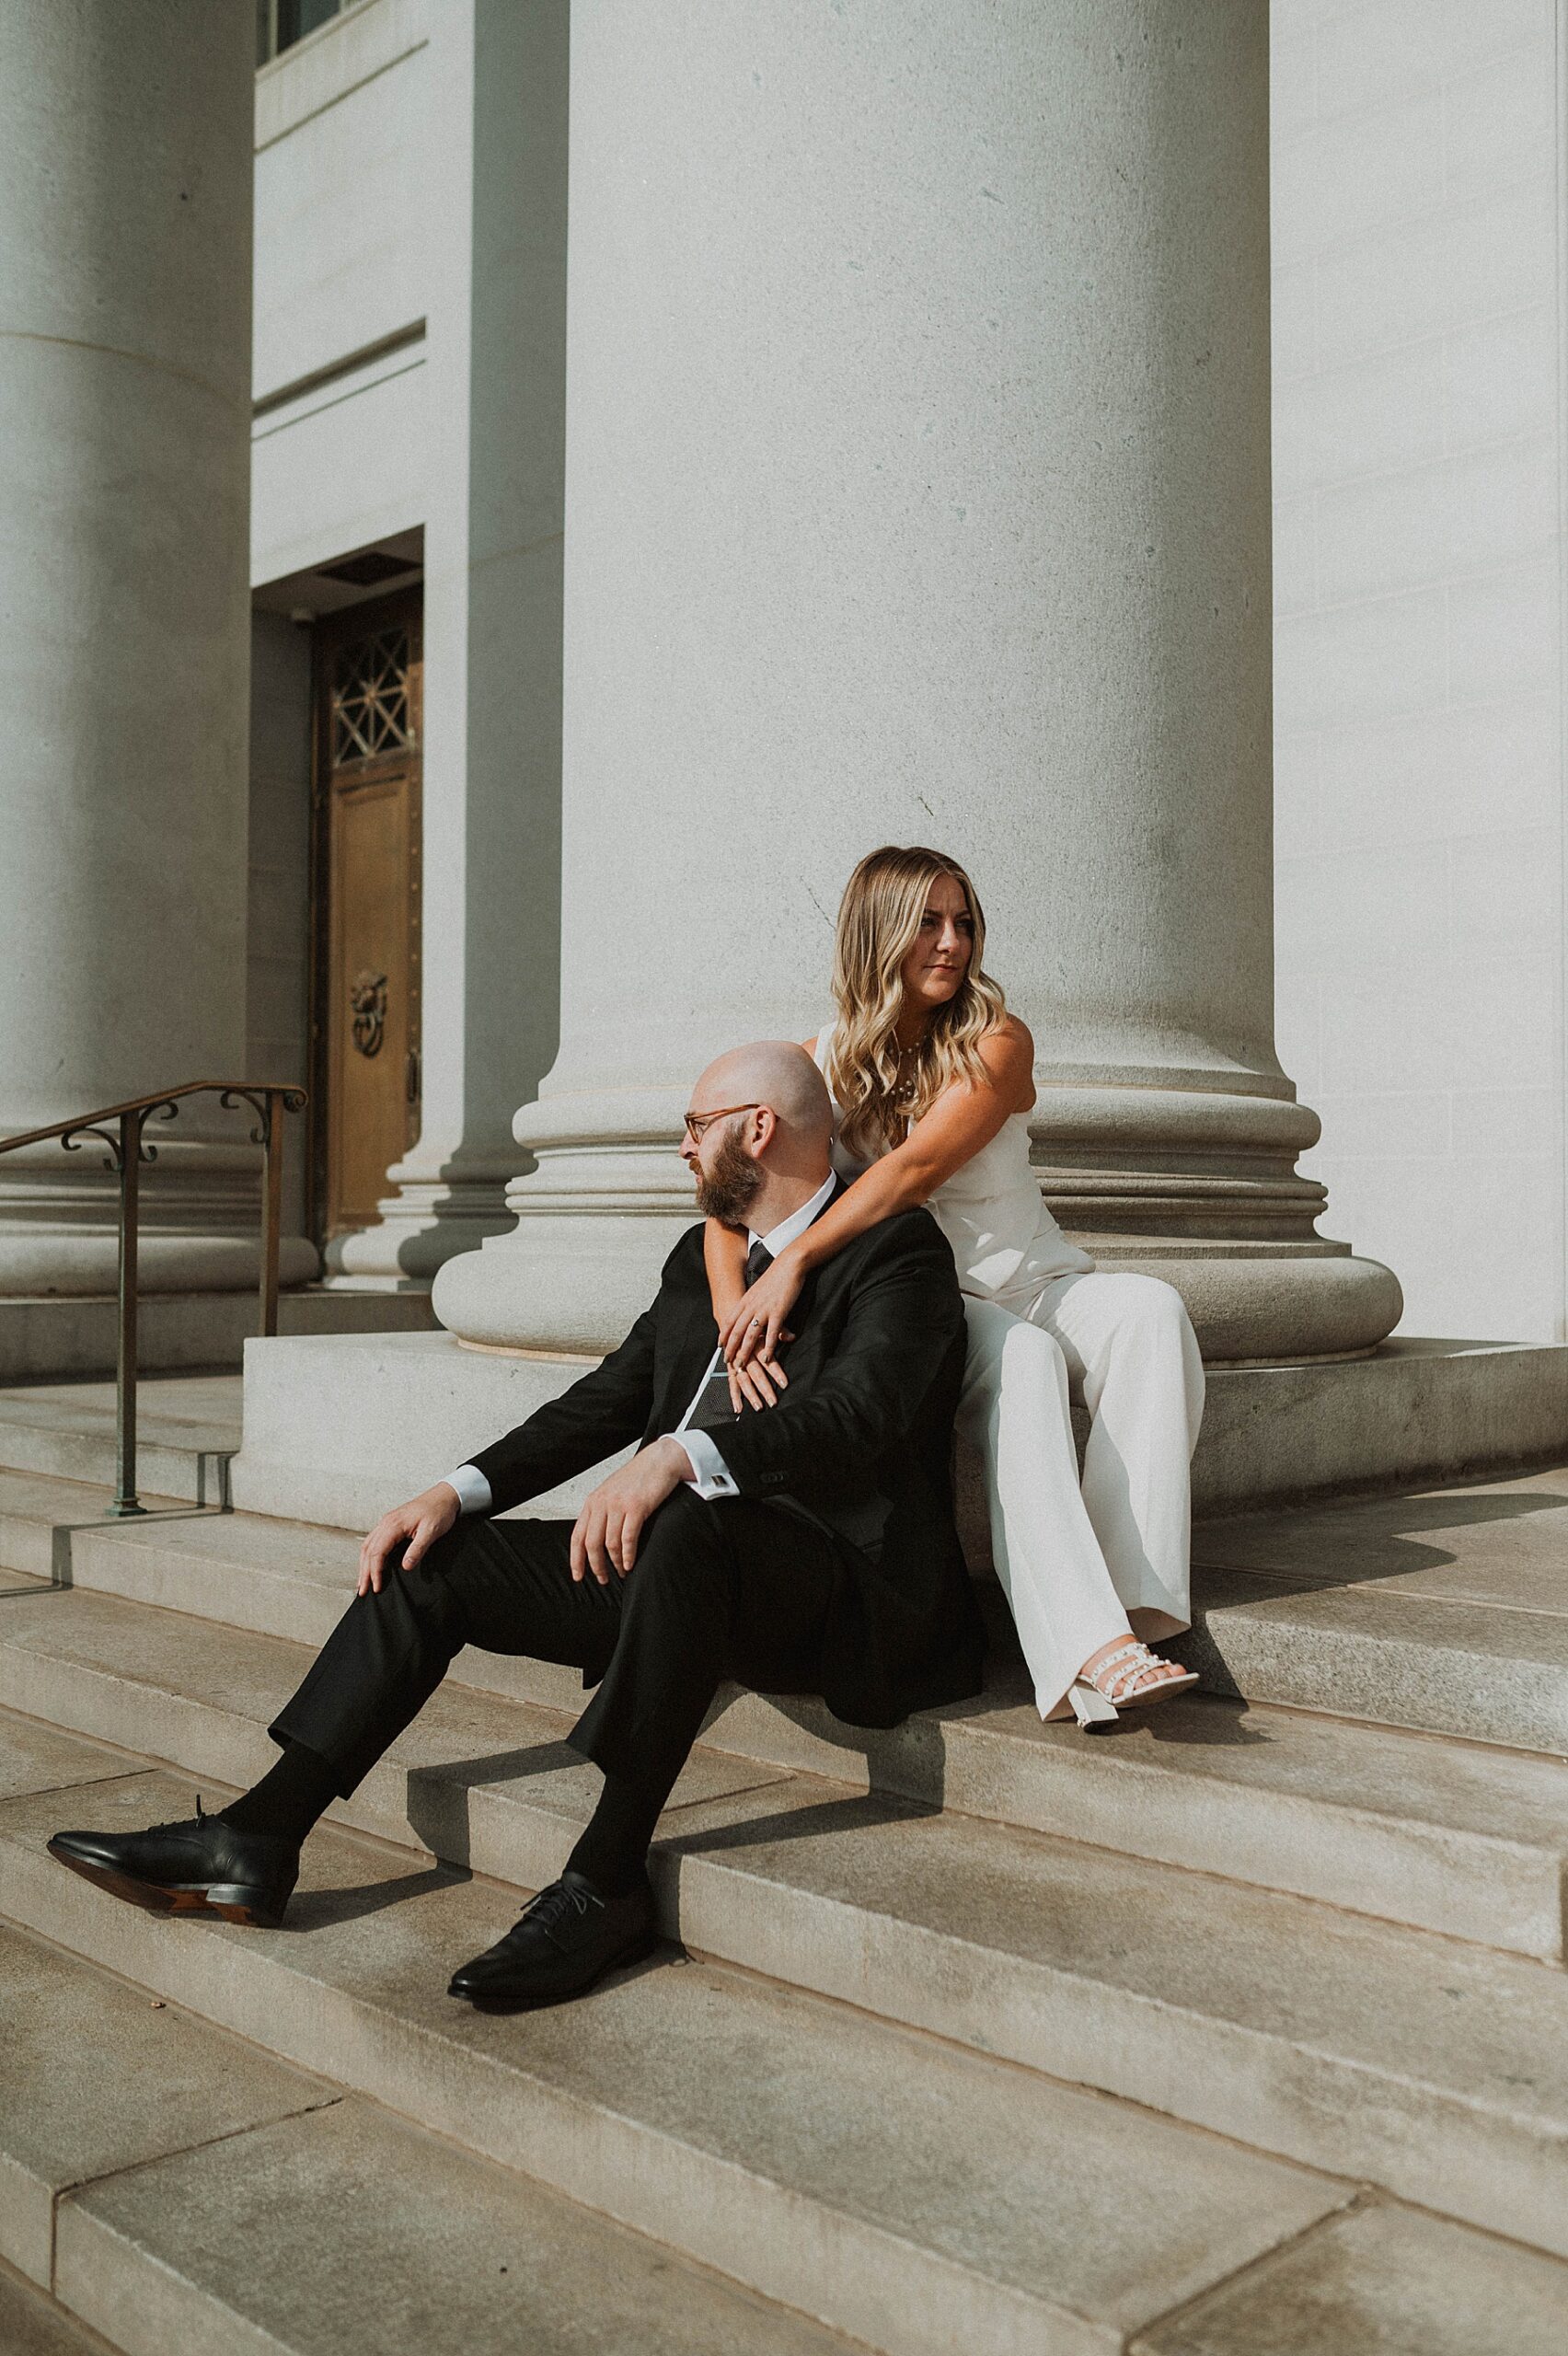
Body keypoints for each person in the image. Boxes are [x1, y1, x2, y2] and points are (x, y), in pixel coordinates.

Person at [49, 1041, 985, 2006]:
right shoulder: (703, 1261)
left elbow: (863, 1417)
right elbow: (604, 1400)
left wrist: (680, 1457)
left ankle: (608, 1879)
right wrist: (456, 1489)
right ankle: (258, 1833)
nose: (681, 1150)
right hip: (675, 1568)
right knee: (430, 1560)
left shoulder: (895, 1248)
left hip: (835, 1584)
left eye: (693, 1127)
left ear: (758, 1128)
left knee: (688, 1522)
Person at [709, 846, 1205, 1730]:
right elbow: (722, 1202)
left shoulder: (998, 1040)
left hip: (1042, 1277)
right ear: (878, 931)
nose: (953, 943)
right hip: (936, 1311)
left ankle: (1131, 1612)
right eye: (930, 922)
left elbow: (915, 1169)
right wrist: (729, 1313)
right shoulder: (809, 1063)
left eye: (965, 922)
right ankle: (1088, 1649)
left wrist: (795, 1261)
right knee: (1020, 1362)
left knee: (1150, 1311)